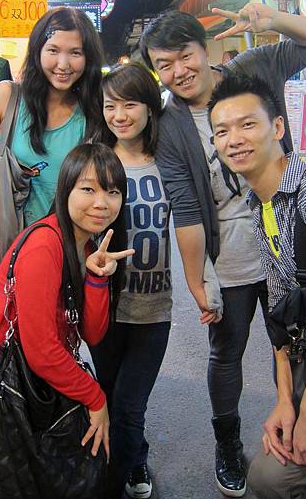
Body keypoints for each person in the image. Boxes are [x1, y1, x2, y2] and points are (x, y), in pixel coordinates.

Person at [139, 2, 306, 496]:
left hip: (289, 239)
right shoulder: (168, 124)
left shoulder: (253, 69)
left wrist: (274, 20)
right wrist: (197, 278)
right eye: (164, 64)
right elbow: (186, 206)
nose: (178, 71)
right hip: (228, 254)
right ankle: (227, 441)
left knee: (301, 339)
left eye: (185, 55)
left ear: (204, 49)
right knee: (226, 350)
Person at [0, 142, 133, 476]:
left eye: (113, 191)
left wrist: (97, 279)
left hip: (30, 390)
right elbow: (42, 351)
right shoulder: (44, 247)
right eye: (88, 189)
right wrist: (95, 397)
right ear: (65, 190)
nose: (101, 203)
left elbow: (92, 334)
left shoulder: (86, 246)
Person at [208, 73, 306, 499]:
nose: (234, 139)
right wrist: (286, 401)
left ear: (277, 127)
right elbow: (280, 315)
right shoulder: (261, 206)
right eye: (222, 131)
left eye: (247, 124)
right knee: (267, 479)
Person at [0, 6, 103, 274]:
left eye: (75, 53)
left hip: (59, 256)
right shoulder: (7, 97)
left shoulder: (93, 114)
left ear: (88, 58)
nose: (63, 64)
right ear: (38, 51)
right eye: (53, 50)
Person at [90, 62, 169, 499]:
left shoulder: (168, 162)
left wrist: (205, 282)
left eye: (130, 104)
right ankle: (133, 459)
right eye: (110, 106)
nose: (119, 115)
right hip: (105, 305)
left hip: (154, 308)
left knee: (127, 405)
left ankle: (113, 483)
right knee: (107, 395)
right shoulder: (96, 162)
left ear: (149, 107)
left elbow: (193, 224)